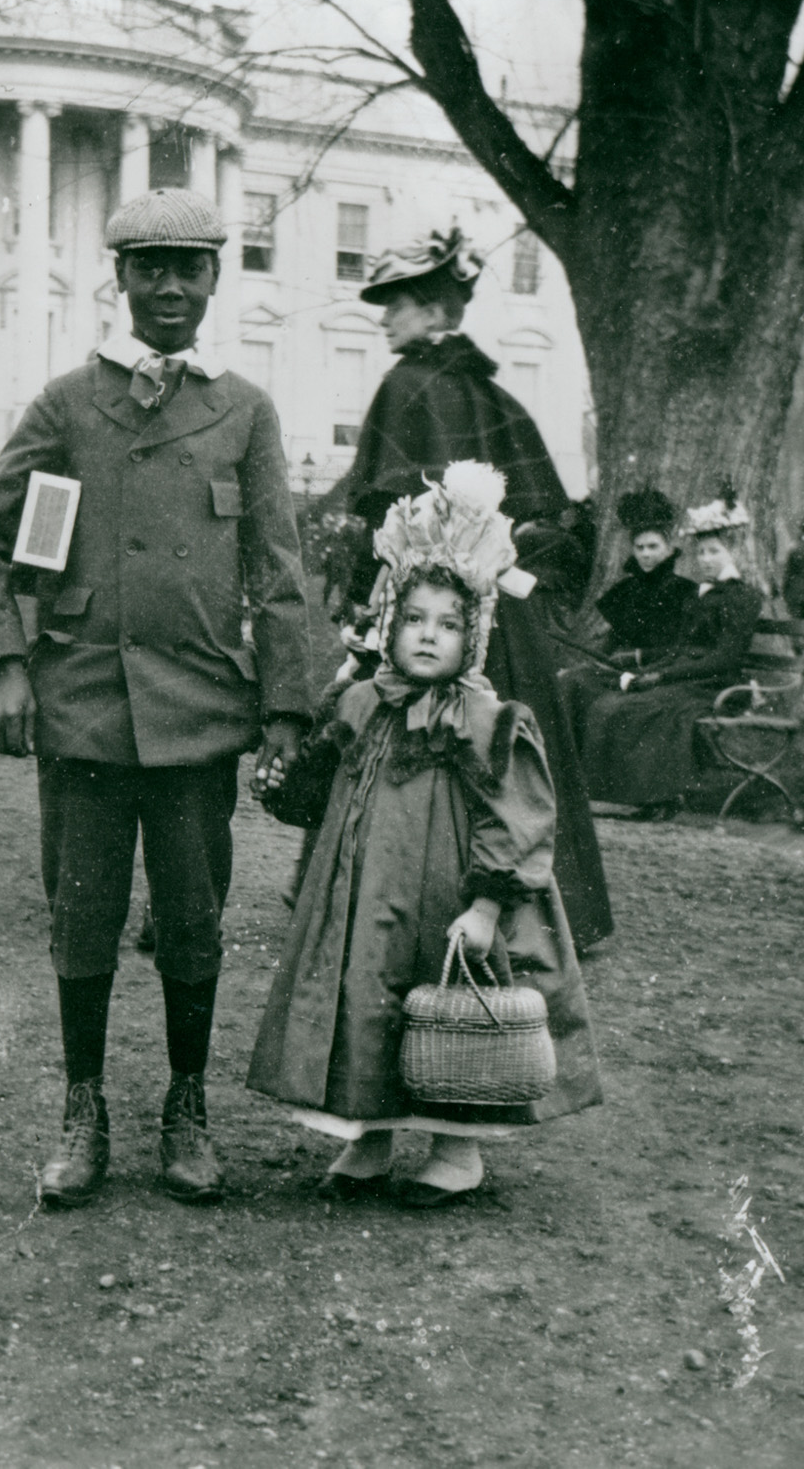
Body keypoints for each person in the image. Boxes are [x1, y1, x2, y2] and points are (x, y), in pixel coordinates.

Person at [0, 187, 312, 1208]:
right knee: (81, 914)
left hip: (200, 711)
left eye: (186, 266)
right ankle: (82, 1107)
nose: (166, 286)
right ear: (118, 278)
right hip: (82, 709)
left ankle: (186, 1104)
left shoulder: (242, 409)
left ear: (212, 278)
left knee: (193, 917)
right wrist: (7, 666)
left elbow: (278, 568)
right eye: (146, 266)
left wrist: (287, 704)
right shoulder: (68, 404)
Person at [247, 468, 601, 1206]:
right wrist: (294, 763)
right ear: (388, 623)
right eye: (414, 620)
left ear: (472, 633)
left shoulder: (487, 720)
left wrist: (488, 905)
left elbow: (518, 815)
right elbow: (318, 785)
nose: (429, 635)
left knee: (450, 1009)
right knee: (364, 994)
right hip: (365, 887)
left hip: (449, 891)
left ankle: (455, 1148)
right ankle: (368, 1136)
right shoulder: (362, 702)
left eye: (447, 622)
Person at [334, 227, 613, 948]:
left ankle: (405, 900)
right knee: (507, 744)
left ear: (432, 309)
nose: (384, 318)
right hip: (499, 623)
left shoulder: (404, 387)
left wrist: (365, 599)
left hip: (424, 619)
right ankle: (548, 904)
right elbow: (553, 520)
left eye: (395, 303)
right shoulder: (493, 396)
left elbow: (376, 514)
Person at [565, 494, 765, 814]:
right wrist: (647, 669)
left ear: (735, 553)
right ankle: (615, 793)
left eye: (715, 552)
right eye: (701, 553)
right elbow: (680, 649)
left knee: (632, 709)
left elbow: (725, 658)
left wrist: (663, 675)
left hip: (715, 684)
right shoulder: (701, 596)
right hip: (687, 676)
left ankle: (650, 797)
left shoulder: (743, 597)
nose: (706, 560)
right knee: (614, 702)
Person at [594, 489, 697, 663]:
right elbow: (616, 635)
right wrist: (597, 662)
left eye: (653, 546)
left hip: (660, 669)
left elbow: (681, 647)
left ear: (669, 548)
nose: (645, 554)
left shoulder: (684, 590)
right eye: (639, 547)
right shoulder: (627, 588)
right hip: (622, 666)